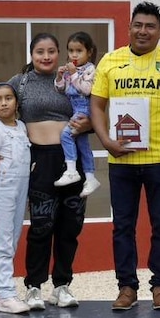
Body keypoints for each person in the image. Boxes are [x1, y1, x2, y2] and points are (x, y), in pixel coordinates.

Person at [90, 2, 160, 312]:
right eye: (138, 25)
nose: (143, 31)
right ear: (129, 27)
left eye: (150, 26)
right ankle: (127, 287)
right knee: (122, 226)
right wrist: (106, 141)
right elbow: (96, 105)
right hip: (121, 160)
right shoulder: (110, 61)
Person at [9, 33, 90, 310]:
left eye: (52, 51)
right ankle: (33, 287)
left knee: (70, 227)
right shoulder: (20, 83)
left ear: (60, 53)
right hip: (38, 161)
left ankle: (62, 286)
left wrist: (88, 124)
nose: (46, 56)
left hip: (72, 161)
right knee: (41, 227)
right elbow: (0, 112)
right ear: (31, 54)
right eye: (40, 51)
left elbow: (95, 111)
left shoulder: (72, 79)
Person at [0, 82, 33, 314]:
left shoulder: (21, 126)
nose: (3, 103)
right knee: (3, 243)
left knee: (13, 241)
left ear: (17, 102)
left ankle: (1, 292)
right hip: (3, 191)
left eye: (8, 98)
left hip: (21, 190)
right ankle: (6, 294)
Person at [54, 31, 101, 198]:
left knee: (66, 135)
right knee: (83, 146)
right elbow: (61, 89)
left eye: (79, 51)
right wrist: (60, 77)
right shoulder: (69, 70)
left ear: (89, 52)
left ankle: (72, 170)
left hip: (84, 109)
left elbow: (86, 89)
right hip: (75, 109)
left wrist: (73, 74)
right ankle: (90, 177)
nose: (74, 55)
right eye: (71, 51)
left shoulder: (90, 69)